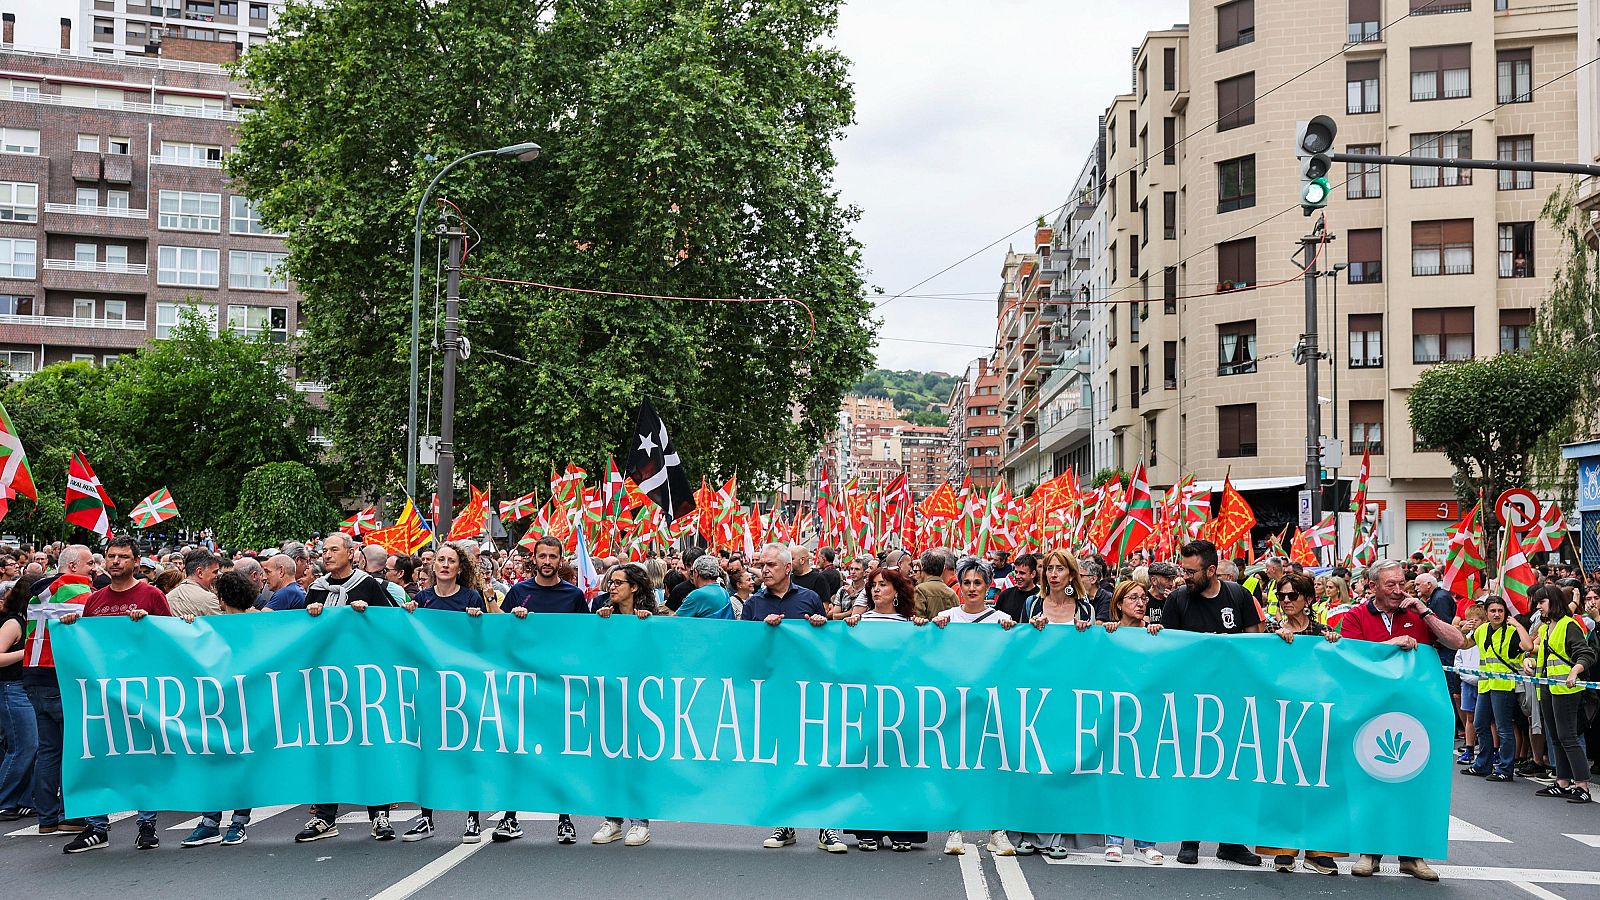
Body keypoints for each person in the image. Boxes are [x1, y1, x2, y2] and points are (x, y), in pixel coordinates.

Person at [1343, 559, 1464, 881]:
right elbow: (1349, 659)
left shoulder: (1416, 613)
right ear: (1372, 587)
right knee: (1372, 781)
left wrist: (1425, 612)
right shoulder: (1355, 616)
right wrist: (1390, 645)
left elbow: (1457, 641)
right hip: (1370, 714)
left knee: (1417, 784)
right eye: (1390, 585)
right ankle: (1370, 853)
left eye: (1402, 584)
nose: (1399, 591)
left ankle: (1413, 856)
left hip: (1416, 716)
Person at [60, 536, 175, 853]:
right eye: (110, 556)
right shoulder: (94, 600)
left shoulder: (152, 595)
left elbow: (173, 639)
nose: (115, 562)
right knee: (98, 756)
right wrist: (73, 625)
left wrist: (147, 624)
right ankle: (96, 826)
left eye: (123, 556)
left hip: (142, 693)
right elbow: (88, 645)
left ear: (136, 561)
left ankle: (147, 824)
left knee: (143, 757)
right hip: (103, 695)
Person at [1161, 540, 1264, 868]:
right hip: (1192, 699)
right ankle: (1190, 839)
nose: (1184, 576)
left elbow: (1255, 641)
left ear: (1210, 570)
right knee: (1194, 768)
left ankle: (1231, 842)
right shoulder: (1178, 600)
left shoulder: (1238, 596)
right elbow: (1166, 647)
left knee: (1234, 768)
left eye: (1190, 571)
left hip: (1233, 699)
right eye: (1182, 569)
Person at [294, 532, 399, 844]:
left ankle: (379, 814)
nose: (327, 555)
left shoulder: (368, 585)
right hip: (326, 682)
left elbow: (393, 623)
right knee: (327, 746)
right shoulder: (316, 588)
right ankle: (325, 816)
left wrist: (368, 616)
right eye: (324, 550)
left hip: (363, 681)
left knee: (369, 744)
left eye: (334, 549)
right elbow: (300, 635)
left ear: (352, 553)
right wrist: (311, 616)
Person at [744, 543, 838, 852]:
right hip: (773, 693)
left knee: (817, 757)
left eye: (770, 564)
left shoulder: (809, 598)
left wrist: (820, 626)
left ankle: (826, 827)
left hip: (808, 692)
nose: (764, 570)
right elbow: (741, 647)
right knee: (782, 758)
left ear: (788, 569)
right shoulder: (754, 604)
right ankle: (785, 824)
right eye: (762, 564)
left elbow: (823, 646)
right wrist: (762, 630)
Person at [1250, 572, 1344, 875]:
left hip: (1317, 720)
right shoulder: (1272, 632)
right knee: (1284, 781)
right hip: (1281, 719)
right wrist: (1273, 643)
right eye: (1282, 595)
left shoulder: (1323, 632)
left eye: (1293, 595)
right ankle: (1283, 848)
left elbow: (1337, 671)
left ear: (1308, 599)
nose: (1286, 600)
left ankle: (1319, 851)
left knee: (1320, 783)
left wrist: (1334, 643)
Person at [497, 536, 587, 844]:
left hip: (559, 687)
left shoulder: (573, 595)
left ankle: (565, 820)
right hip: (522, 684)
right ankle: (510, 818)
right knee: (517, 749)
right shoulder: (518, 592)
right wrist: (512, 619)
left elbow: (584, 638)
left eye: (552, 556)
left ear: (560, 560)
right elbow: (499, 633)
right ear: (533, 559)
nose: (547, 561)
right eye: (542, 556)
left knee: (559, 752)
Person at [398, 542, 487, 844]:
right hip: (430, 689)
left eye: (451, 560)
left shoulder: (470, 598)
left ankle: (473, 818)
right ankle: (426, 818)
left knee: (467, 752)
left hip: (464, 688)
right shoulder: (421, 600)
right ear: (432, 566)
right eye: (440, 560)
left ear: (460, 568)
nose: (445, 565)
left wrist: (478, 620)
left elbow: (486, 641)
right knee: (428, 753)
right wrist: (407, 615)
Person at [933, 558, 1016, 858]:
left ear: (988, 586)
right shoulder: (946, 617)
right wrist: (931, 629)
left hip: (990, 709)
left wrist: (1012, 633)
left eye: (977, 583)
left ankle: (997, 831)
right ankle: (956, 828)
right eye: (966, 582)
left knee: (993, 766)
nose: (971, 588)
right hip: (955, 707)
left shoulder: (1001, 619)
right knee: (958, 764)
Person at [841, 567, 928, 852]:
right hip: (868, 704)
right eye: (873, 585)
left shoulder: (909, 623)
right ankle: (869, 829)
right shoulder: (861, 621)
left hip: (901, 704)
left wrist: (926, 629)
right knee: (869, 766)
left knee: (900, 766)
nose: (876, 590)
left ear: (896, 591)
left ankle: (902, 829)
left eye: (883, 585)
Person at [182, 571, 263, 848]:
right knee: (242, 760)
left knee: (215, 759)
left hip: (220, 705)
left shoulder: (212, 627)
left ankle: (213, 821)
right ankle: (235, 822)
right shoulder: (261, 623)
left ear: (220, 598)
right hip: (245, 703)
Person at [1097, 579, 1165, 864]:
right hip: (1116, 715)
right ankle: (1114, 840)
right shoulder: (1108, 633)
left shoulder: (1154, 634)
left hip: (1148, 715)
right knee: (1116, 776)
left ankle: (1145, 842)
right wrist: (1106, 634)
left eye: (1143, 599)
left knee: (1146, 776)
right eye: (1133, 598)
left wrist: (1159, 636)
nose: (1140, 603)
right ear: (1119, 604)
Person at [591, 563, 657, 847]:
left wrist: (652, 623)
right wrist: (600, 622)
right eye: (610, 582)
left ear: (635, 587)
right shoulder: (602, 613)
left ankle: (640, 822)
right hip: (610, 698)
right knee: (610, 758)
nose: (612, 587)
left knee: (637, 759)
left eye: (618, 582)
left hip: (643, 701)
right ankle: (613, 820)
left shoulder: (653, 617)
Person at [1523, 584, 1595, 803]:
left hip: (1566, 689)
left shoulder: (1568, 625)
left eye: (1541, 603)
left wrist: (1575, 670)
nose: (1538, 607)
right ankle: (1562, 782)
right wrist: (1530, 660)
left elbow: (1585, 653)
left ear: (1553, 603)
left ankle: (1582, 786)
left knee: (1568, 737)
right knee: (1555, 737)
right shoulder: (1545, 628)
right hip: (1547, 688)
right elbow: (1546, 659)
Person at [1462, 596, 1529, 782]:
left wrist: (1517, 625)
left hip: (1503, 686)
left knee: (1503, 728)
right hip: (1485, 684)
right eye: (1493, 611)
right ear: (1486, 613)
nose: (1497, 614)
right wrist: (1462, 630)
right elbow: (1463, 644)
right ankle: (1483, 764)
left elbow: (1529, 645)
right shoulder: (1482, 629)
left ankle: (1505, 769)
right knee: (1480, 724)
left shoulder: (1511, 631)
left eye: (1500, 610)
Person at [0, 573, 38, 822]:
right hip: (10, 688)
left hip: (24, 688)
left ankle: (23, 799)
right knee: (23, 746)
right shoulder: (13, 623)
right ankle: (4, 798)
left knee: (33, 746)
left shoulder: (28, 621)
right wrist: (28, 651)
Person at [165, 548, 221, 618]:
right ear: (200, 572)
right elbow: (220, 627)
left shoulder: (168, 597)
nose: (217, 576)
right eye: (215, 572)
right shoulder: (209, 599)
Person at [676, 554, 734, 619]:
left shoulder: (697, 595)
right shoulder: (724, 592)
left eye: (692, 572)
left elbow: (675, 620)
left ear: (696, 573)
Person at [913, 550, 958, 621]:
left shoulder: (920, 590)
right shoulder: (952, 593)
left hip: (927, 631)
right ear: (943, 568)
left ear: (922, 567)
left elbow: (918, 619)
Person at [993, 553, 1039, 622]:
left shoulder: (1041, 596)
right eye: (1016, 572)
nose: (1017, 576)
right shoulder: (1005, 595)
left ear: (1033, 574)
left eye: (1022, 573)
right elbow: (996, 620)